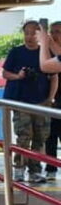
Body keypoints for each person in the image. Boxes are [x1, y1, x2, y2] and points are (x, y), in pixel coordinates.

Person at [3, 20, 57, 185]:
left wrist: (50, 98)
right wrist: (18, 76)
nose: (29, 36)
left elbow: (54, 76)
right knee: (24, 135)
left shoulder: (46, 52)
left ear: (39, 35)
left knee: (40, 137)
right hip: (21, 101)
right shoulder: (16, 52)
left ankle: (35, 170)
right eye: (26, 33)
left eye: (33, 33)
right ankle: (19, 168)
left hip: (41, 102)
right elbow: (5, 73)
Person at [44, 21, 61, 180]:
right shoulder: (46, 52)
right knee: (50, 136)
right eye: (52, 32)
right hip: (52, 100)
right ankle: (51, 167)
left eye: (58, 32)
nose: (54, 35)